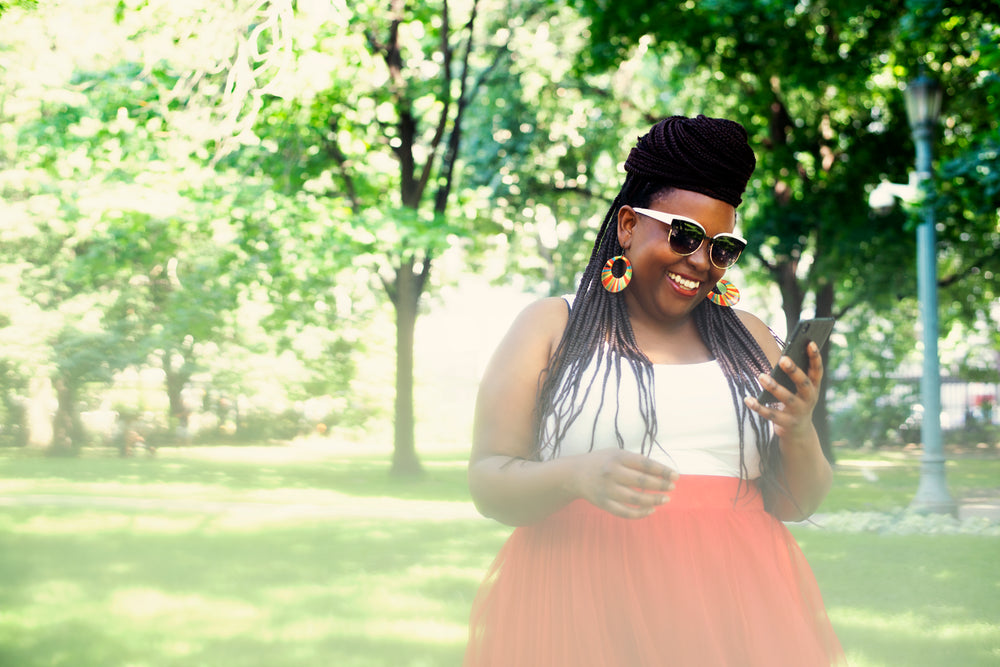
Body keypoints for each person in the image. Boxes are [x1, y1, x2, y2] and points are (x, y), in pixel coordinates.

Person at [464, 115, 845, 666]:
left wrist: (798, 429)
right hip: (580, 610)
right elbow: (487, 481)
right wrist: (575, 475)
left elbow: (797, 502)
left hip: (732, 613)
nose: (699, 261)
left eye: (721, 249)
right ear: (626, 225)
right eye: (684, 234)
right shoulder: (550, 327)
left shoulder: (754, 338)